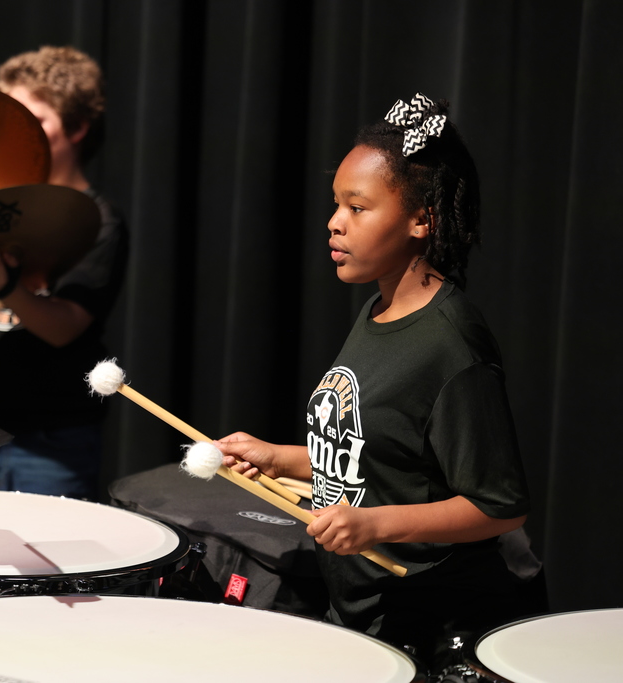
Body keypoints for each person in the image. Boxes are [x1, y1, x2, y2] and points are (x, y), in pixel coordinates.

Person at [215, 94, 531, 674]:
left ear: (421, 219)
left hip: (431, 627)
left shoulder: (451, 341)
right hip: (363, 616)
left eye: (358, 207)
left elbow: (500, 506)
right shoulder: (377, 311)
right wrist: (282, 458)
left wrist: (373, 525)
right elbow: (382, 457)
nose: (335, 222)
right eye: (336, 204)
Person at [0, 46, 128, 501]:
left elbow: (65, 327)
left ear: (78, 127)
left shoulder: (99, 222)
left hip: (51, 445)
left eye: (34, 120)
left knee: (48, 572)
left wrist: (8, 288)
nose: (15, 133)